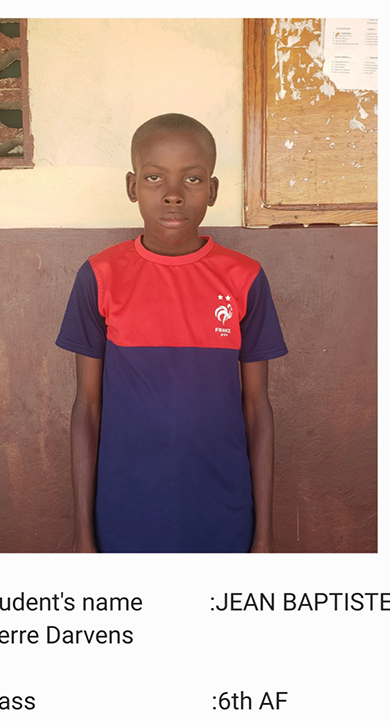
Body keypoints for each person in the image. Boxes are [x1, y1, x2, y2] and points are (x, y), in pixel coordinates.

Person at [56, 113, 288, 553]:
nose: (174, 195)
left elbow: (257, 409)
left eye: (193, 179)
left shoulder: (245, 278)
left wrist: (264, 535)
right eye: (154, 177)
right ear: (132, 187)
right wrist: (83, 536)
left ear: (213, 191)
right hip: (124, 513)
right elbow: (86, 408)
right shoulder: (100, 276)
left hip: (224, 513)